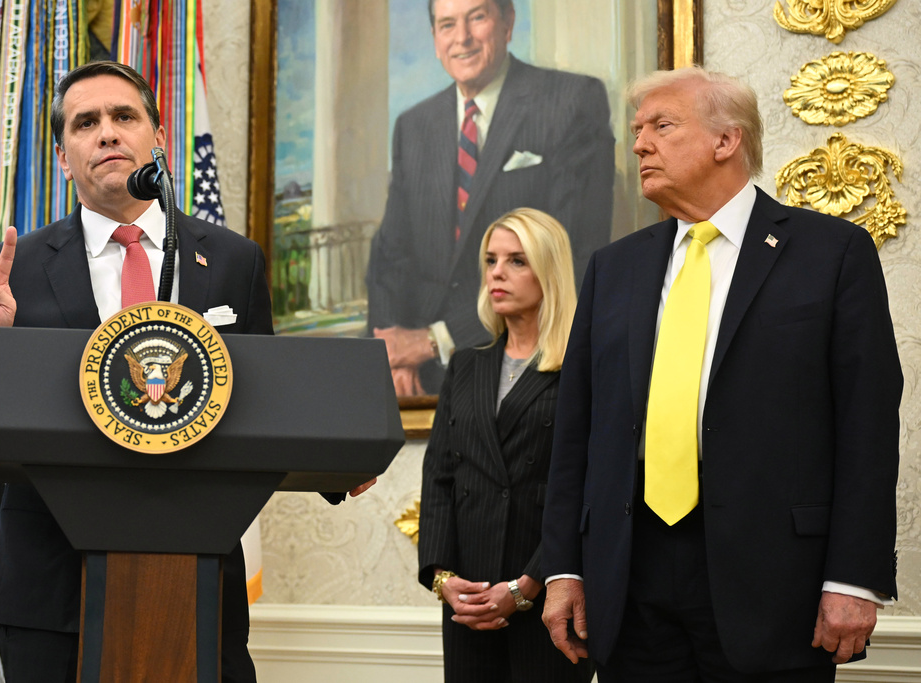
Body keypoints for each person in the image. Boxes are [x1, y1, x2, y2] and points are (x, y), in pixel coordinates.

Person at [0, 61, 374, 683]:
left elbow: (267, 400)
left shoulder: (231, 260)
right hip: (51, 591)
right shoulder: (14, 267)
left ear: (159, 138)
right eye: (85, 122)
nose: (107, 133)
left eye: (125, 117)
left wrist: (338, 460)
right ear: (63, 156)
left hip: (197, 580)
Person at [539, 66, 901, 682]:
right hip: (628, 584)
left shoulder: (831, 254)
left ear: (726, 140)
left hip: (774, 585)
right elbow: (576, 430)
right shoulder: (613, 268)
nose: (639, 144)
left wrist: (853, 577)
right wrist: (563, 569)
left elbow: (867, 427)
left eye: (662, 125)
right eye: (636, 130)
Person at [366, 0, 614, 396]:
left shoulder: (571, 101)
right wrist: (388, 353)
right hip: (418, 377)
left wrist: (435, 339)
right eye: (447, 25)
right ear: (434, 39)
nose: (461, 38)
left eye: (476, 17)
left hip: (528, 363)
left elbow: (571, 254)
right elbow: (390, 258)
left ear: (508, 22)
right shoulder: (414, 125)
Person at [418, 208, 593, 682]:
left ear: (548, 271)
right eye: (491, 260)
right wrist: (443, 579)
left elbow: (587, 488)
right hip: (469, 600)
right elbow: (439, 480)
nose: (497, 272)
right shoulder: (465, 366)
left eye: (517, 260)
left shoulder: (583, 366)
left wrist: (525, 587)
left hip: (551, 592)